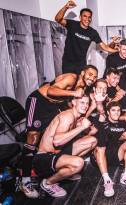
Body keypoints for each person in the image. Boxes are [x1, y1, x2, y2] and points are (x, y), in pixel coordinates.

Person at [20, 65, 97, 198]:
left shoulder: (82, 88)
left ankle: (60, 169)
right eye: (90, 74)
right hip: (39, 101)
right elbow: (50, 91)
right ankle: (25, 180)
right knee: (33, 137)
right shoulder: (71, 78)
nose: (93, 78)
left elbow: (74, 105)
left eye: (95, 76)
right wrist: (73, 93)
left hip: (53, 106)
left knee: (56, 130)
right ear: (83, 72)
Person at [32, 95, 97, 197]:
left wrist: (85, 125)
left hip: (58, 153)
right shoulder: (68, 116)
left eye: (87, 103)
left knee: (92, 141)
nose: (85, 106)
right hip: (44, 158)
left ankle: (65, 172)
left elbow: (89, 131)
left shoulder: (76, 117)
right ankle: (48, 183)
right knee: (79, 163)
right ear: (74, 103)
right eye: (82, 103)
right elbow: (57, 142)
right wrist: (81, 128)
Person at [55, 1, 117, 74]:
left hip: (81, 64)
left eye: (89, 17)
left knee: (80, 84)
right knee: (68, 83)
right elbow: (58, 19)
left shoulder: (93, 32)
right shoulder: (72, 25)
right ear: (80, 17)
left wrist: (118, 51)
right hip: (68, 62)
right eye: (85, 16)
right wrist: (66, 7)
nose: (87, 19)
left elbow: (104, 47)